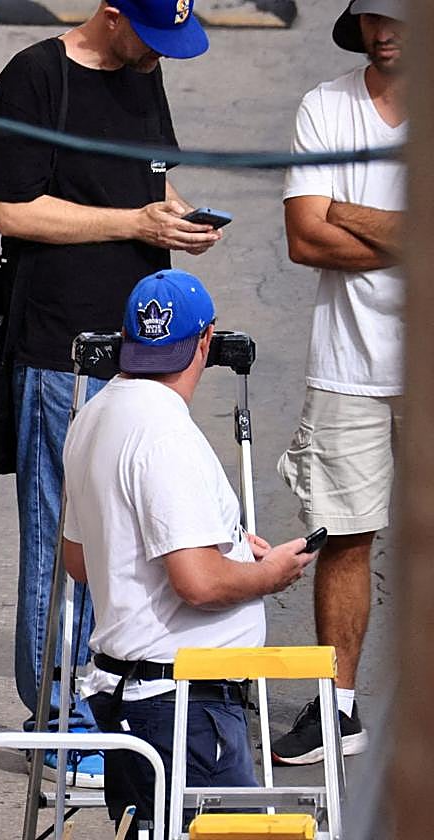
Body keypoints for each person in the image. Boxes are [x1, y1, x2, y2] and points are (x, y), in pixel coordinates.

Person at [0, 0, 222, 785]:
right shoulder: (35, 78)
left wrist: (181, 222)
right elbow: (16, 209)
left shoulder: (140, 73)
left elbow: (150, 183)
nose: (160, 57)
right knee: (62, 537)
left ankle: (113, 701)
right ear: (110, 14)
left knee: (132, 530)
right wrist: (137, 226)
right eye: (151, 39)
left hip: (142, 351)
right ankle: (57, 720)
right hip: (61, 348)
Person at [61, 270, 315, 823]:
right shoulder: (166, 434)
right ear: (205, 340)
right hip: (180, 701)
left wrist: (221, 543)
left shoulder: (95, 414)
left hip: (128, 690)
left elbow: (80, 559)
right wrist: (270, 573)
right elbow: (197, 582)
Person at [271, 0, 405, 767]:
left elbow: (328, 222)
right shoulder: (326, 106)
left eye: (399, 17)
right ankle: (337, 709)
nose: (381, 30)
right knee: (345, 537)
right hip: (347, 364)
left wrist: (345, 211)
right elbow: (302, 236)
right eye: (370, 17)